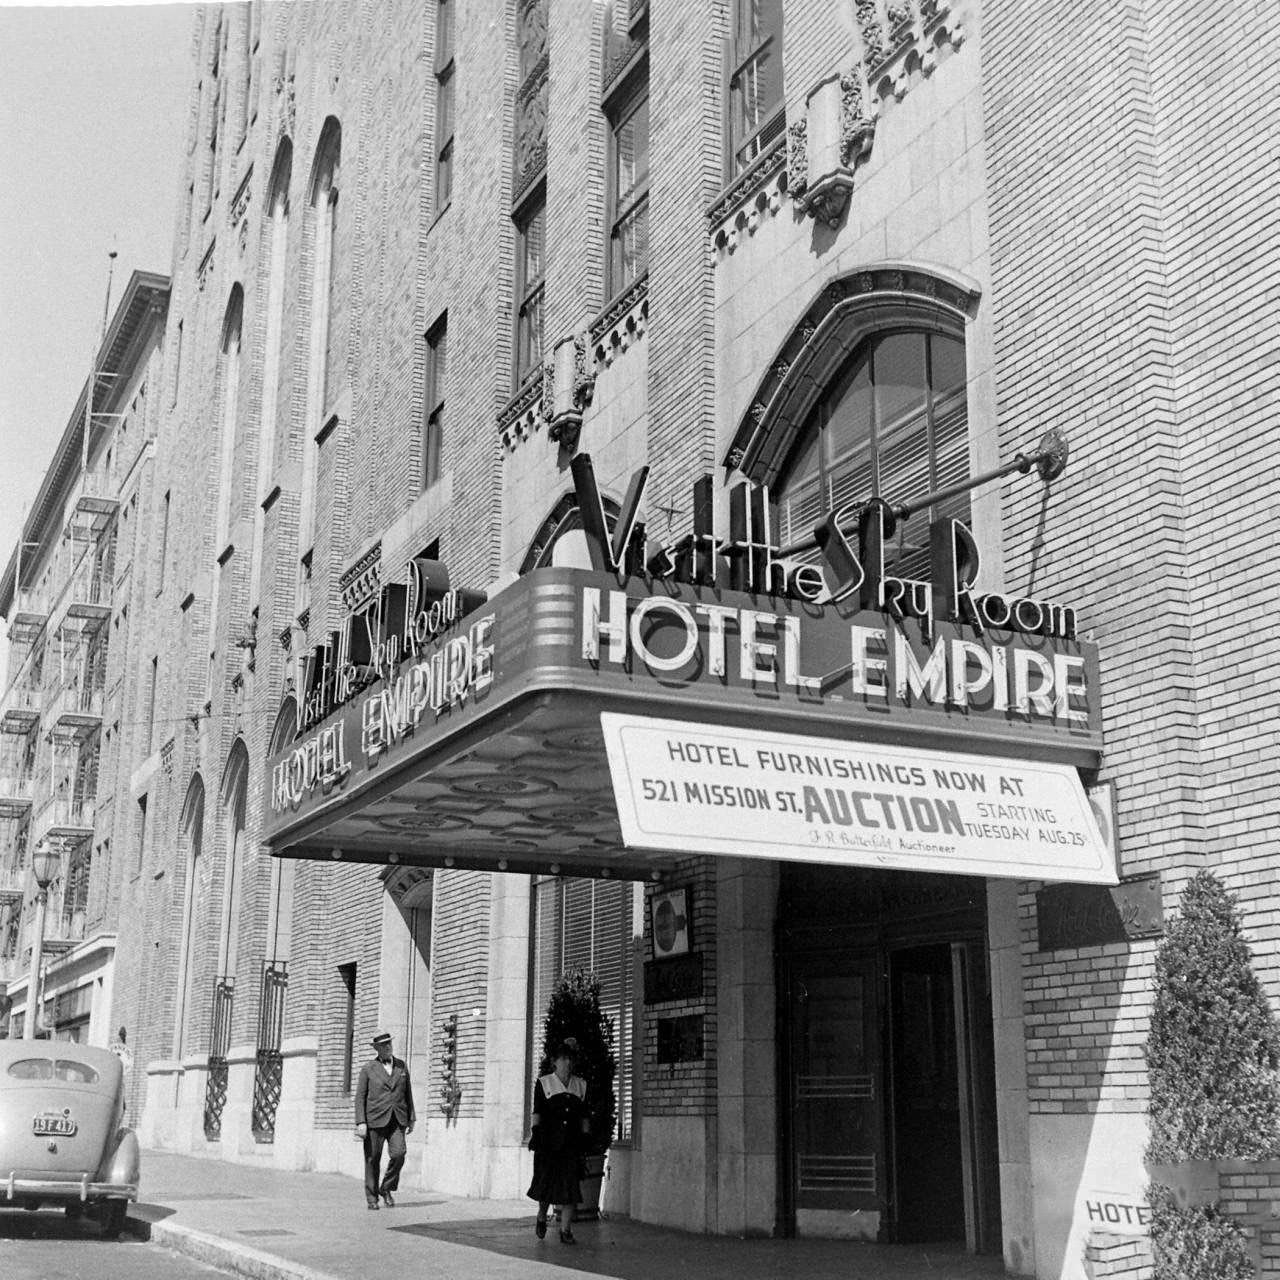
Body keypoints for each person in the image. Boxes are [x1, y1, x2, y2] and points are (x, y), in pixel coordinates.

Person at [526, 1037, 590, 1244]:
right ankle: (542, 1216)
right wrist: (535, 1133)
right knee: (547, 1187)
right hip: (548, 1144)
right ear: (555, 1061)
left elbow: (584, 1116)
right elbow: (538, 1112)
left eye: (570, 1059)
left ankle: (565, 1231)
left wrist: (586, 1138)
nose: (567, 1063)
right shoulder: (544, 1083)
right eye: (563, 1059)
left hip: (571, 1144)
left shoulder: (580, 1085)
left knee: (571, 1188)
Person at [354, 1032, 415, 1209]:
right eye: (384, 1045)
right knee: (373, 1158)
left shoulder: (401, 1066)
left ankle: (386, 1187)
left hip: (397, 1119)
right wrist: (361, 1122)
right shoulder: (368, 1068)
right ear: (377, 1049)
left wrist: (411, 1117)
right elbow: (360, 1097)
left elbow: (408, 1093)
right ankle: (372, 1199)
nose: (388, 1047)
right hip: (374, 1120)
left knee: (399, 1154)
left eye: (389, 1044)